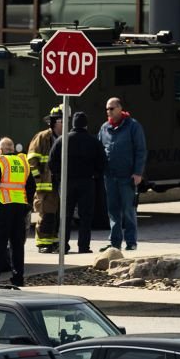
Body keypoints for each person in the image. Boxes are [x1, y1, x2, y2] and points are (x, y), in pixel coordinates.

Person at [50, 111, 106, 255]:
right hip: (87, 182)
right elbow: (103, 163)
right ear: (86, 125)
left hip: (67, 182)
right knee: (85, 216)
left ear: (72, 124)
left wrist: (60, 174)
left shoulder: (62, 140)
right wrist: (95, 174)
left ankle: (64, 246)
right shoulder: (94, 141)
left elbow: (52, 162)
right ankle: (83, 246)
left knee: (65, 215)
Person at [0, 138, 35, 287]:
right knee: (17, 245)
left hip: (4, 207)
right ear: (12, 149)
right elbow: (31, 186)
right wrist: (28, 204)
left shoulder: (0, 161)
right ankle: (18, 278)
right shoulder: (23, 162)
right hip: (20, 209)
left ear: (0, 150)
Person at [99, 97, 146, 251]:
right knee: (113, 210)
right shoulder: (104, 128)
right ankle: (114, 242)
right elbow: (100, 149)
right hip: (110, 176)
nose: (108, 111)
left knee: (128, 209)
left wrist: (138, 173)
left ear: (120, 108)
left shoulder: (133, 126)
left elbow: (140, 150)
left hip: (127, 176)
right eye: (107, 109)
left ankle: (131, 241)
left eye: (112, 108)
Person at [28, 107, 64, 254]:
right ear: (53, 123)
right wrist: (38, 179)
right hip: (45, 185)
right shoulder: (42, 137)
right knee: (46, 214)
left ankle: (53, 241)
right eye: (62, 121)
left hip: (59, 183)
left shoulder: (64, 138)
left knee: (56, 215)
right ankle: (43, 243)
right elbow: (31, 159)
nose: (64, 124)